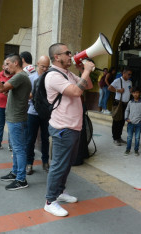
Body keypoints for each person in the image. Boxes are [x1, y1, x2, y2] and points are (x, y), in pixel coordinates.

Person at [43, 43, 94, 217]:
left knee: (66, 164)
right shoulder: (53, 75)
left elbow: (88, 86)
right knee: (58, 165)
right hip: (63, 128)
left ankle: (60, 192)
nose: (71, 55)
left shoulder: (67, 73)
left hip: (73, 127)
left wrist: (82, 70)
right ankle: (50, 201)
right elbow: (75, 92)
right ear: (57, 57)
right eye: (67, 53)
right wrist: (86, 70)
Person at [0, 54, 31, 191]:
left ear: (16, 63)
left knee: (19, 149)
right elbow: (9, 92)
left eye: (7, 64)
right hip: (15, 118)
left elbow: (1, 88)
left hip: (17, 119)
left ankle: (21, 179)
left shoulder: (20, 76)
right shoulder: (20, 77)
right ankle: (15, 173)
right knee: (17, 149)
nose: (5, 67)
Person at [26, 55, 50, 175]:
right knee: (31, 138)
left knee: (45, 138)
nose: (45, 69)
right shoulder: (31, 78)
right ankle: (29, 162)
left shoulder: (50, 78)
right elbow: (26, 96)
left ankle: (45, 161)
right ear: (37, 64)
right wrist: (35, 93)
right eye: (42, 66)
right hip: (33, 112)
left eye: (47, 67)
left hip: (45, 113)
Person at [108, 68, 133, 146]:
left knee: (122, 121)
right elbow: (109, 88)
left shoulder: (130, 82)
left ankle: (119, 137)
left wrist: (131, 91)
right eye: (129, 74)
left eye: (130, 74)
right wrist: (118, 90)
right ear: (124, 73)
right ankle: (115, 138)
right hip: (119, 103)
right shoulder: (118, 80)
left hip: (126, 103)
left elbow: (129, 91)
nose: (130, 76)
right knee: (116, 121)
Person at [124, 87, 141, 156]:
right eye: (134, 93)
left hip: (138, 123)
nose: (135, 94)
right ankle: (128, 149)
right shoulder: (130, 102)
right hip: (130, 122)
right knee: (129, 137)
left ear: (140, 93)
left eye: (137, 92)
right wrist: (126, 118)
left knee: (137, 137)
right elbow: (127, 110)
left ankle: (136, 150)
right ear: (132, 94)